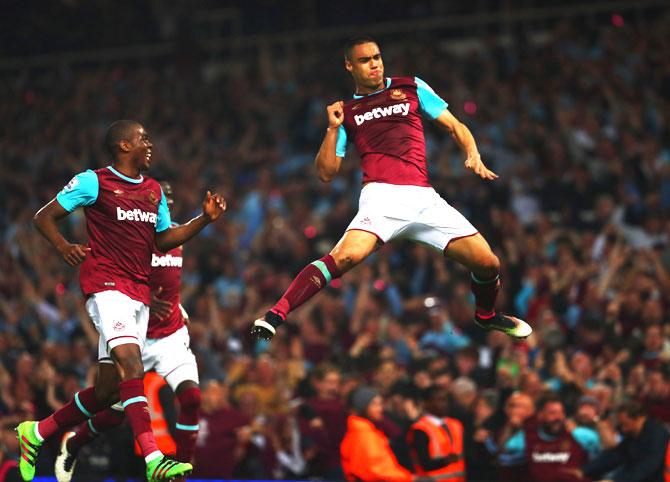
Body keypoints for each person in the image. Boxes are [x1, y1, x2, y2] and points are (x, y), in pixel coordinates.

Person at [251, 35, 531, 343]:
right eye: (364, 60)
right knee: (342, 258)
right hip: (382, 199)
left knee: (488, 263)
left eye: (376, 57)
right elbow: (326, 173)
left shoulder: (411, 87)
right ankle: (275, 314)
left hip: (424, 198)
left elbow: (455, 125)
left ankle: (486, 316)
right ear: (349, 66)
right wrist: (332, 128)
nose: (373, 64)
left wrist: (472, 152)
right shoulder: (347, 112)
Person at [19, 120, 225, 482]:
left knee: (106, 393)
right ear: (122, 146)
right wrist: (63, 245)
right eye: (143, 138)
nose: (150, 144)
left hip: (137, 295)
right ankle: (153, 458)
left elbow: (163, 240)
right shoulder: (92, 181)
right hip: (106, 287)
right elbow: (43, 217)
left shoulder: (153, 191)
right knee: (133, 367)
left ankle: (38, 433)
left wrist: (204, 221)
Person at [53, 182, 203, 482]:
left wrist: (180, 307)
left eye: (167, 198)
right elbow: (114, 275)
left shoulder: (176, 237)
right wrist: (144, 298)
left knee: (192, 400)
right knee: (113, 409)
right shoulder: (130, 238)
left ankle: (182, 472)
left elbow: (171, 282)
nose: (164, 203)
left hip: (171, 335)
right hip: (136, 332)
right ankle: (73, 444)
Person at [340, 386, 432, 482]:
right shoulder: (364, 435)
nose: (380, 408)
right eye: (374, 404)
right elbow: (377, 470)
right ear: (362, 407)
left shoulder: (361, 431)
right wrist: (409, 478)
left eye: (380, 404)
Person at [582, 401, 670, 482]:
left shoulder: (657, 434)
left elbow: (649, 466)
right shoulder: (633, 435)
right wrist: (585, 470)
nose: (623, 429)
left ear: (638, 418)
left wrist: (617, 480)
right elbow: (616, 455)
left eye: (625, 424)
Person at [523, 394, 597, 482]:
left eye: (561, 412)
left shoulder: (580, 435)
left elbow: (604, 455)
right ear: (540, 415)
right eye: (552, 413)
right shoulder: (529, 436)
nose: (558, 417)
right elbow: (507, 454)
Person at [406, 385, 466, 482]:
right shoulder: (420, 429)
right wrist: (446, 460)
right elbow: (424, 463)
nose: (444, 404)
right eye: (439, 400)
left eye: (445, 400)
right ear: (426, 403)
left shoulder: (456, 425)